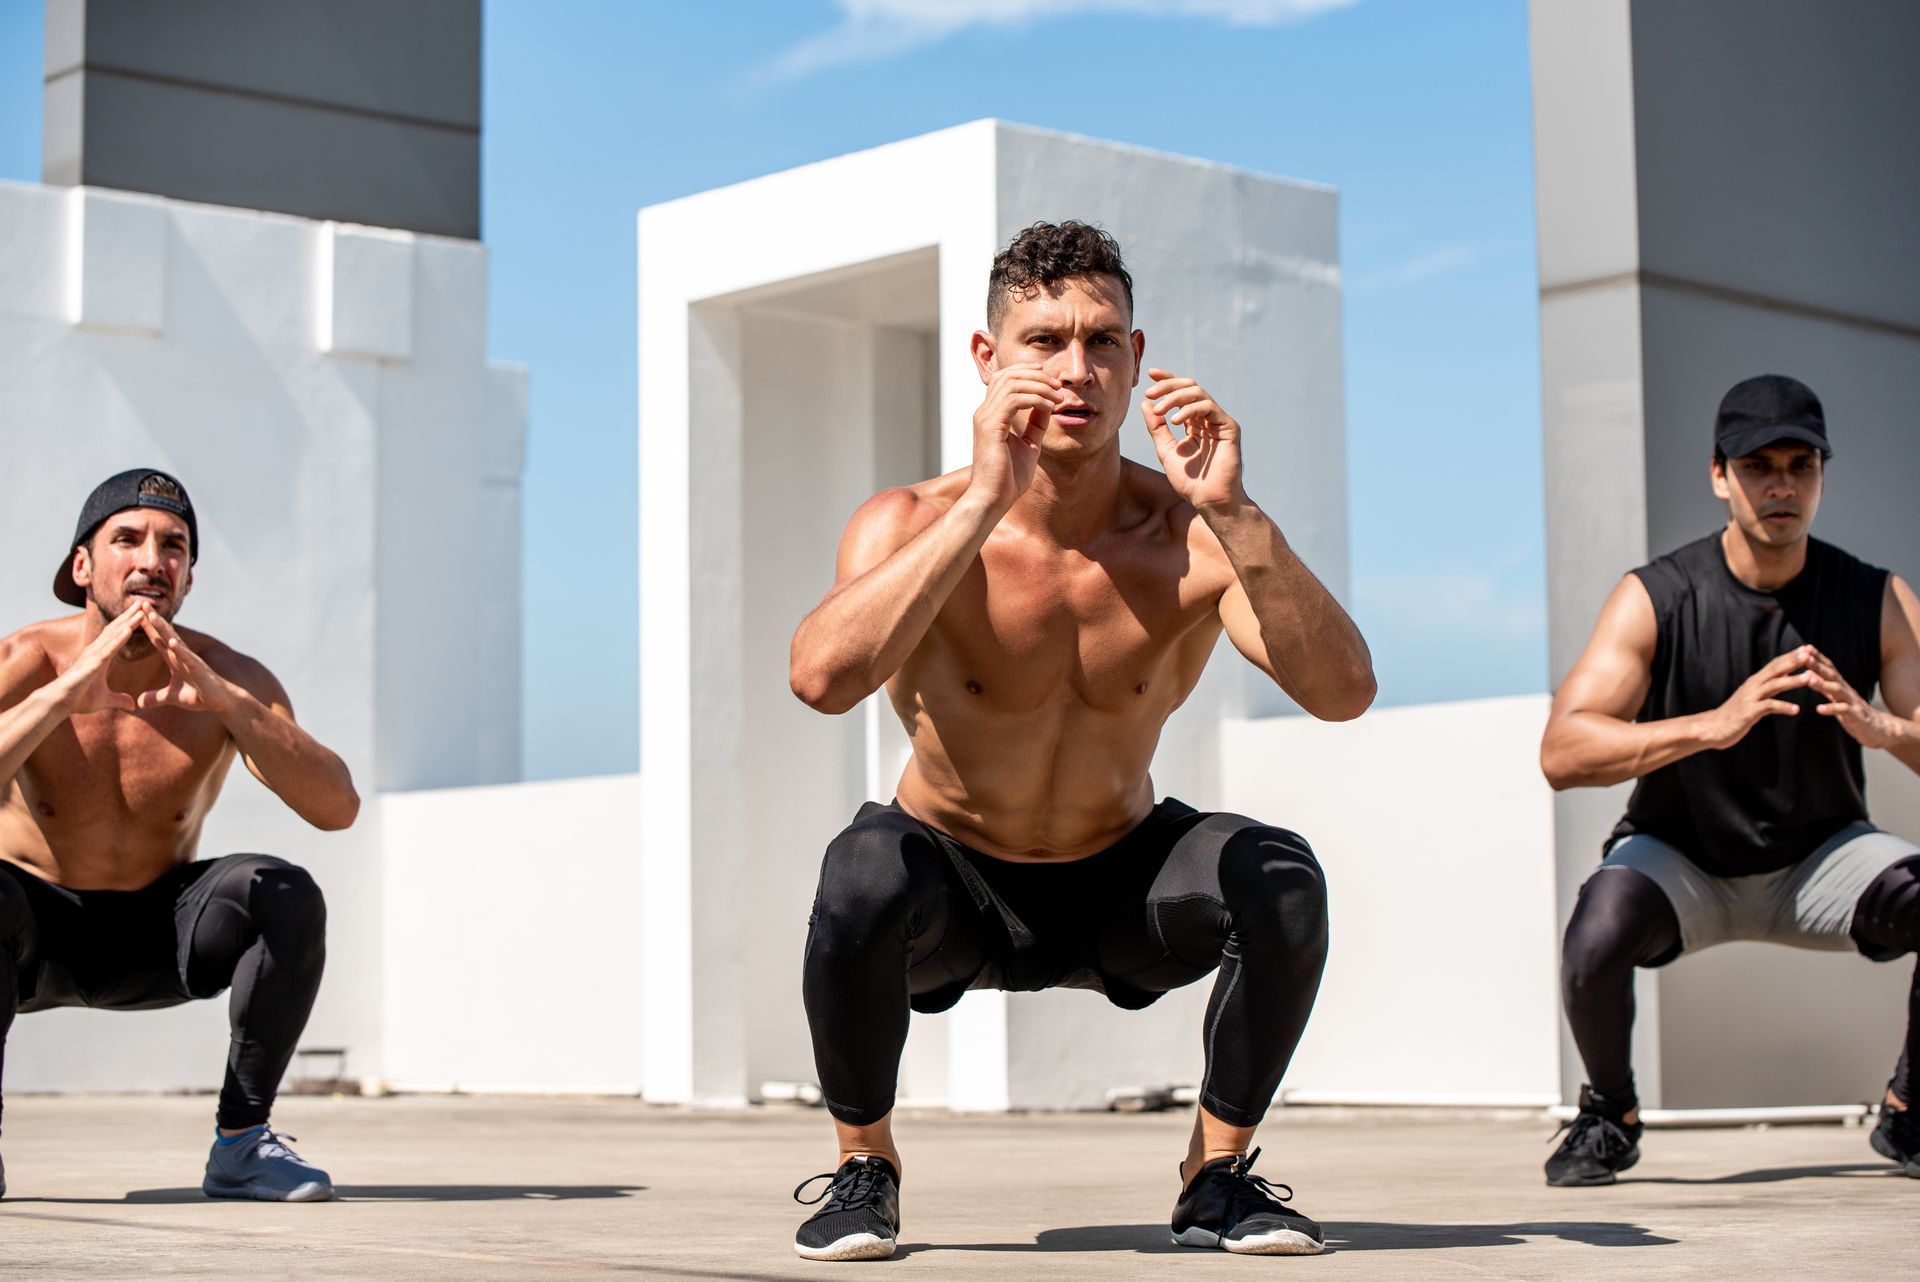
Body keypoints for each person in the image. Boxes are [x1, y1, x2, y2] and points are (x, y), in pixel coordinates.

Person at [785, 221, 1375, 1260]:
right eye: (1044, 341)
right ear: (987, 358)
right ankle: (863, 1167)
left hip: (1121, 881)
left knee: (1282, 875)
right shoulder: (910, 520)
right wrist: (980, 500)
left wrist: (1237, 515)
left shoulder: (1191, 535)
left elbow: (1342, 692)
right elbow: (821, 679)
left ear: (1138, 360)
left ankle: (1217, 1176)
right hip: (952, 881)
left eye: (1103, 342)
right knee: (859, 871)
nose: (1076, 369)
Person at [1540, 374, 1920, 1186]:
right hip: (1682, 860)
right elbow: (1562, 754)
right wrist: (1711, 725)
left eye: (1800, 465)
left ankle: (1910, 1112)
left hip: (1824, 857)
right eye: (1757, 466)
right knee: (1592, 936)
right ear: (1720, 475)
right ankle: (1611, 1113)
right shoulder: (1658, 595)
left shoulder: (1876, 596)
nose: (1781, 485)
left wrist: (1880, 728)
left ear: (1821, 474)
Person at [0, 469, 360, 1202]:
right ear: (82, 567)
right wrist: (65, 694)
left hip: (156, 937)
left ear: (188, 575)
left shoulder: (224, 676)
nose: (150, 559)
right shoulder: (25, 661)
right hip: (30, 936)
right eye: (126, 539)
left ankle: (242, 1145)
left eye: (173, 546)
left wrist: (229, 705)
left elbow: (336, 807)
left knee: (286, 892)